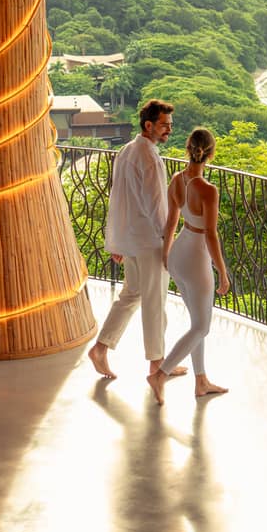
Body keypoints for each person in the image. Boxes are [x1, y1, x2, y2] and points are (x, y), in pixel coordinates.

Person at [88, 99, 187, 379]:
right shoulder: (149, 157)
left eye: (170, 125)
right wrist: (168, 241)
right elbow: (157, 206)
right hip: (149, 241)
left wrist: (117, 242)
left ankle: (100, 347)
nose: (169, 130)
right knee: (154, 301)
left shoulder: (127, 150)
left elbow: (118, 199)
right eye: (164, 125)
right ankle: (157, 365)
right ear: (149, 125)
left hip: (131, 239)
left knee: (132, 295)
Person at [146, 128, 230, 404]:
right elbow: (211, 234)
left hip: (178, 254)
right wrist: (223, 272)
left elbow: (171, 222)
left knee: (196, 322)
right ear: (211, 153)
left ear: (188, 148)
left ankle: (201, 380)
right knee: (201, 327)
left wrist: (167, 254)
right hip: (195, 256)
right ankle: (161, 373)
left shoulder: (177, 180)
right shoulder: (208, 190)